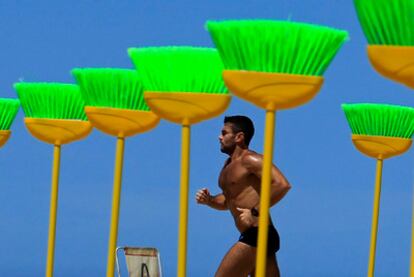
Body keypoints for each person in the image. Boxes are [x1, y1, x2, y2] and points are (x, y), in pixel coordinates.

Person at [196, 115, 291, 277]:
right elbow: (228, 201)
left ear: (239, 137)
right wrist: (210, 200)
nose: (219, 137)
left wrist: (255, 211)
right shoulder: (227, 166)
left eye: (224, 133)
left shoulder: (251, 159)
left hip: (258, 233)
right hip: (256, 235)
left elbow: (282, 184)